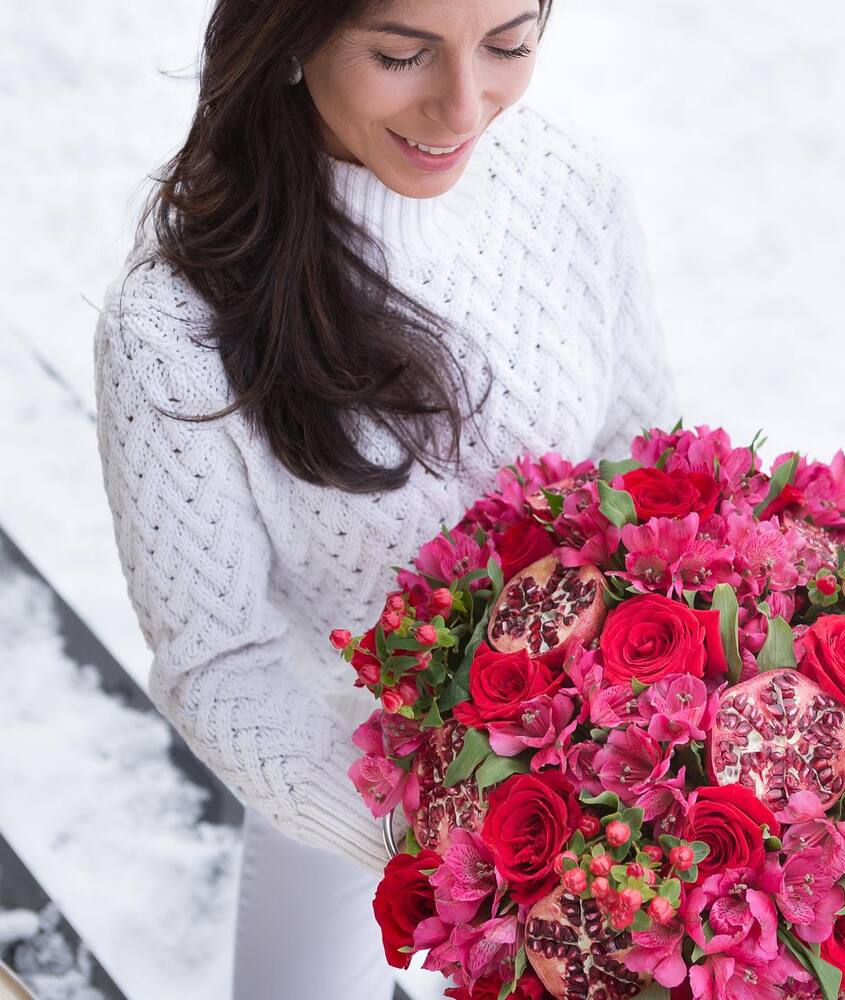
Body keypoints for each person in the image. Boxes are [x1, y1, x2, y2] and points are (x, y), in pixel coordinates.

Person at [92, 1, 682, 997]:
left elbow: (641, 458)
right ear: (291, 35)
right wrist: (459, 849)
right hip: (343, 764)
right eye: (400, 54)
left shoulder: (574, 185)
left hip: (603, 765)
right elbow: (218, 663)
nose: (462, 105)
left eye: (507, 44)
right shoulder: (171, 331)